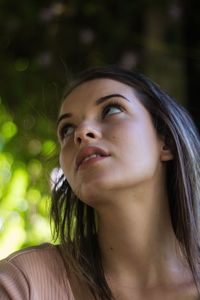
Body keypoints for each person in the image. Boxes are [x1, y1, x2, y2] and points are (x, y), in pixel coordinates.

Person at [0, 66, 199, 300]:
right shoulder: (25, 284)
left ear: (165, 142)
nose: (81, 133)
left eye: (111, 110)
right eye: (67, 129)